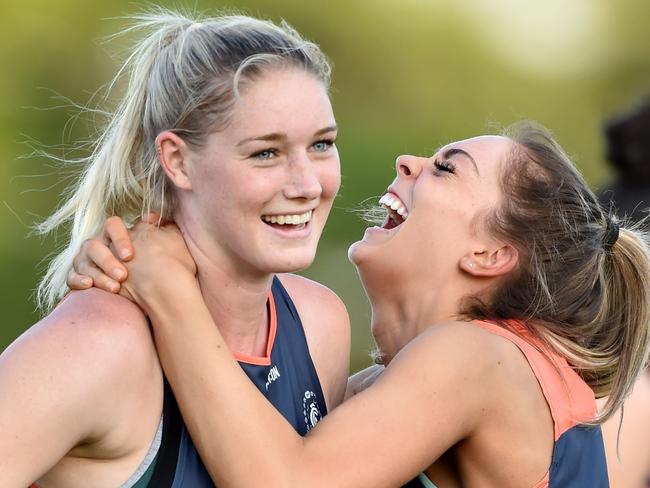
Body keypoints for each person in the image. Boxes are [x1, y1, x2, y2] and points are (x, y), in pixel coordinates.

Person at [71, 123, 650, 487]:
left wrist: (168, 289)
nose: (407, 162)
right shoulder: (428, 378)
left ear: (489, 253)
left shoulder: (478, 359)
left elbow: (282, 481)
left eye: (445, 167)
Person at [0, 9, 351, 487]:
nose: (308, 185)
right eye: (265, 152)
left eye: (321, 145)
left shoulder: (318, 324)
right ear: (178, 161)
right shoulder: (97, 344)